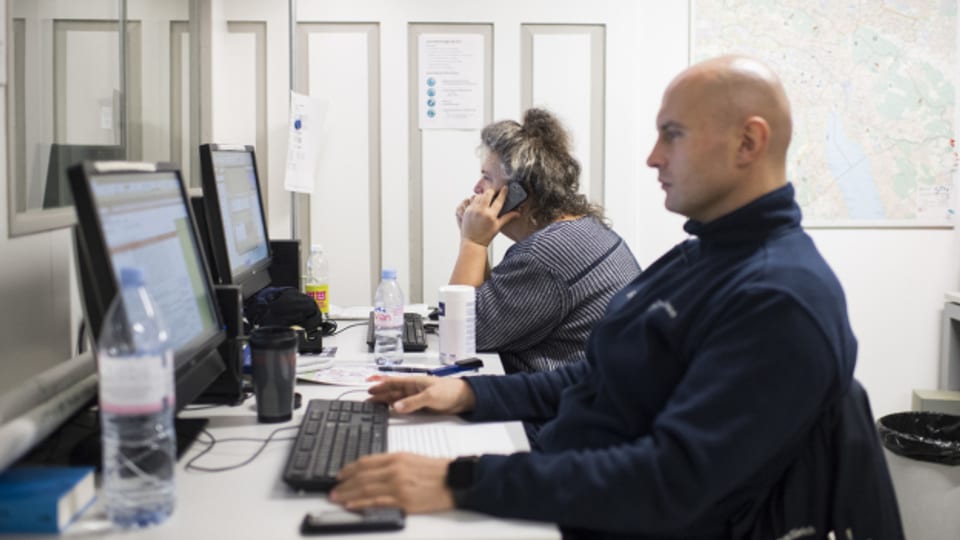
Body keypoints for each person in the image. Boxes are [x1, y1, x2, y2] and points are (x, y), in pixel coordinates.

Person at [330, 56, 903, 539]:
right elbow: (597, 375)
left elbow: (671, 481)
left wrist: (463, 481)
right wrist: (467, 393)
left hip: (604, 515)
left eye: (672, 134)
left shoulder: (777, 298)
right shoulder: (705, 254)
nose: (653, 156)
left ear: (748, 142)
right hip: (566, 481)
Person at [450, 108, 641, 373]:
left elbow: (462, 336)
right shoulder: (582, 230)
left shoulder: (545, 254)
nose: (476, 188)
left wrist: (473, 243)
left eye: (487, 178)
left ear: (518, 193)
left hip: (563, 406)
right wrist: (477, 240)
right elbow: (488, 305)